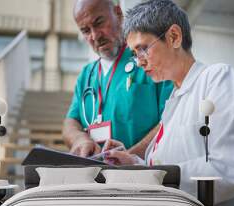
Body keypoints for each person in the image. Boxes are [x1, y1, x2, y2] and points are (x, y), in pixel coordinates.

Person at [103, 0, 234, 206]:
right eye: (134, 54)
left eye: (143, 49)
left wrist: (151, 176)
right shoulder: (174, 102)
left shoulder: (217, 79)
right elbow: (164, 169)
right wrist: (134, 163)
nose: (139, 62)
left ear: (174, 37)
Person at [62, 0, 173, 158]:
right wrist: (79, 139)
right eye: (86, 30)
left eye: (99, 22)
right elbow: (70, 122)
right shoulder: (86, 75)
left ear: (118, 14)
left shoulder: (150, 59)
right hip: (95, 176)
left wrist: (131, 158)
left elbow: (172, 118)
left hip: (143, 174)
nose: (95, 35)